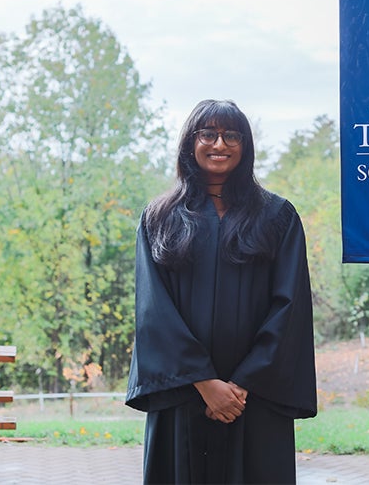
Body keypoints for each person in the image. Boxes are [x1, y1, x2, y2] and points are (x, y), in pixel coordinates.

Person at [125, 99, 317, 484]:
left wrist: (242, 384)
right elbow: (153, 310)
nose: (219, 144)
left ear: (245, 145)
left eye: (232, 135)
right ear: (190, 142)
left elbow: (289, 307)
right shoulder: (160, 218)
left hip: (255, 397)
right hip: (183, 394)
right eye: (208, 134)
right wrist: (204, 382)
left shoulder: (276, 217)